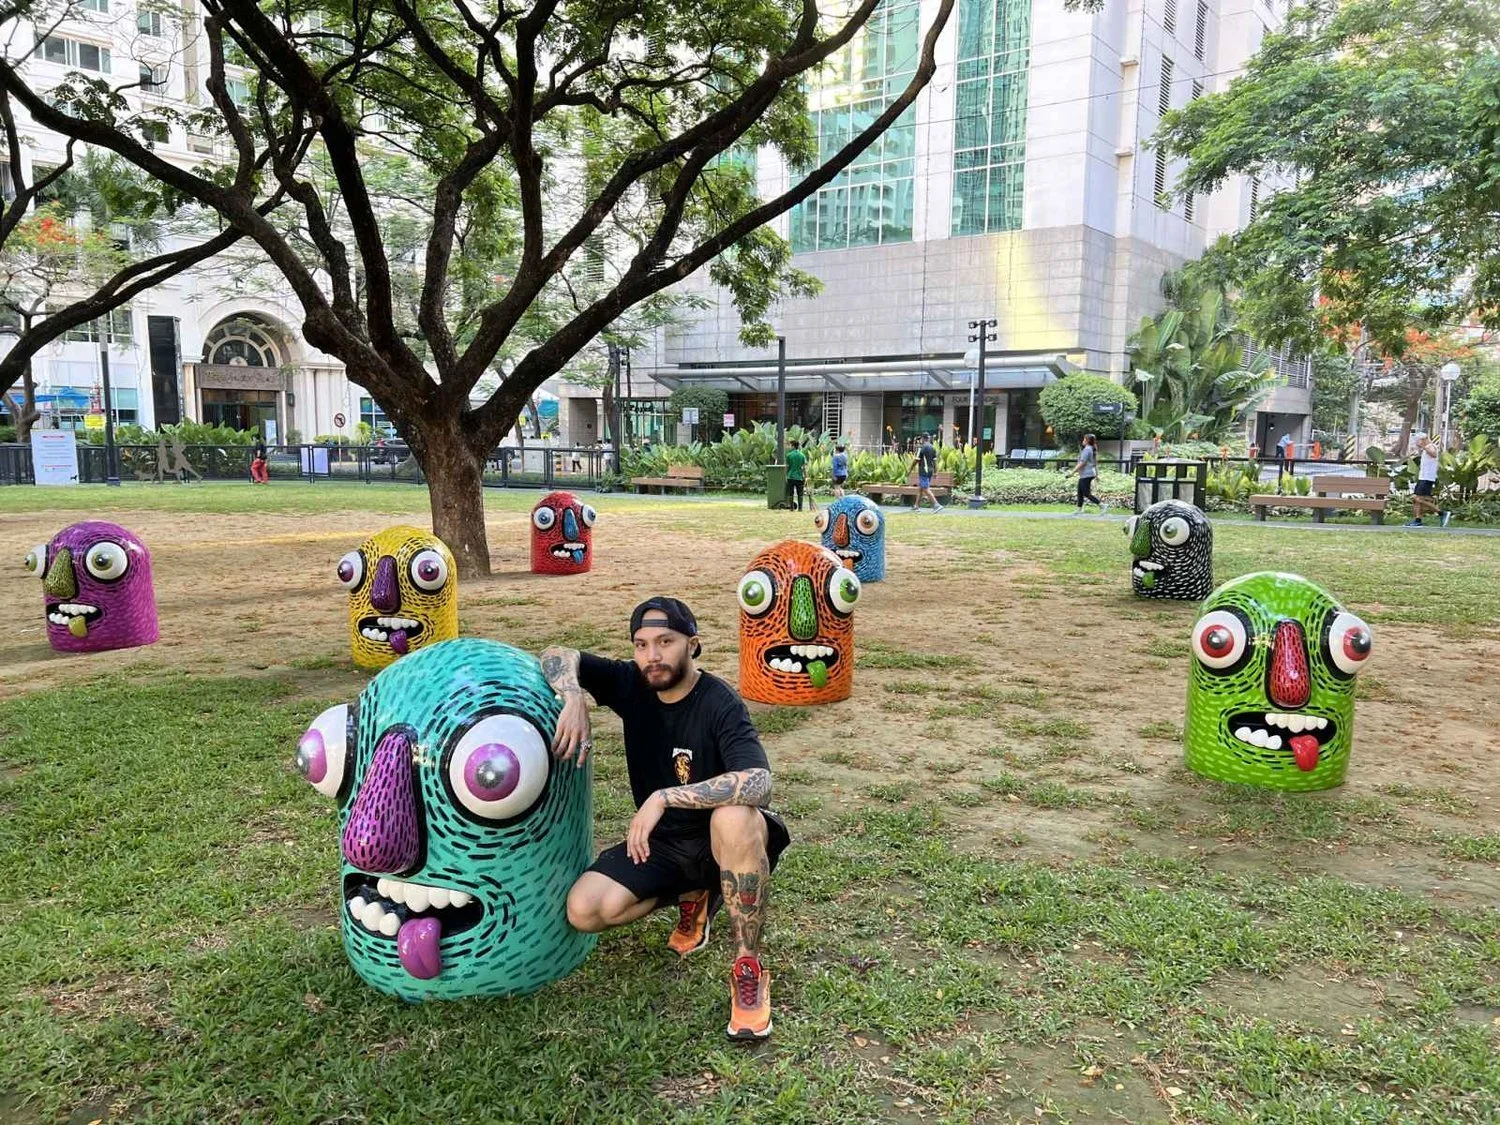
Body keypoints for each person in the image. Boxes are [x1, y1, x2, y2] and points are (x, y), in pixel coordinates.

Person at [541, 599, 789, 1040]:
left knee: (733, 817)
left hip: (721, 842)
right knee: (585, 909)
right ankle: (692, 895)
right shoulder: (632, 683)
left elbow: (758, 782)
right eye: (641, 644)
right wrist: (574, 696)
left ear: (692, 645)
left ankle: (747, 967)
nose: (652, 655)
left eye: (665, 642)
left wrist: (665, 797)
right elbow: (556, 654)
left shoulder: (719, 702)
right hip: (664, 846)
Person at [1406, 433, 1451, 528]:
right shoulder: (1426, 448)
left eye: (1418, 441)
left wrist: (1423, 446)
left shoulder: (1430, 446)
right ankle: (1417, 520)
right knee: (1417, 500)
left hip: (1427, 478)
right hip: (1422, 478)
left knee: (1417, 499)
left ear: (1423, 439)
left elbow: (1434, 454)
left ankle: (1442, 513)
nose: (1417, 443)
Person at [1071, 433, 1106, 514]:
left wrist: (1073, 472)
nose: (1083, 441)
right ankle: (1079, 509)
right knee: (1080, 492)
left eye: (1084, 439)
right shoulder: (1091, 449)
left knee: (1086, 493)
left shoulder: (1087, 450)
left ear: (1087, 441)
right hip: (1086, 474)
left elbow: (1082, 463)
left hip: (1087, 474)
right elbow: (1094, 464)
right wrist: (1096, 475)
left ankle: (1102, 505)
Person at [910, 432, 943, 512]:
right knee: (921, 488)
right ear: (928, 438)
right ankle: (916, 506)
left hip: (924, 470)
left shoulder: (921, 448)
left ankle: (936, 505)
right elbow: (935, 462)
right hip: (930, 471)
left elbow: (916, 460)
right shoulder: (933, 448)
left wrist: (910, 469)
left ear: (922, 438)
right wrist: (935, 472)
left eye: (921, 439)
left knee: (925, 488)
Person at [784, 439, 806, 512]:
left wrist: (785, 475)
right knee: (800, 493)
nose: (790, 447)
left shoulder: (789, 455)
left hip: (791, 476)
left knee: (791, 492)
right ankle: (800, 508)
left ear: (793, 446)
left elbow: (787, 467)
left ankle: (791, 508)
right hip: (799, 476)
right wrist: (805, 476)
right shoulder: (802, 455)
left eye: (791, 445)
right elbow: (804, 467)